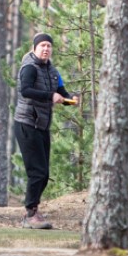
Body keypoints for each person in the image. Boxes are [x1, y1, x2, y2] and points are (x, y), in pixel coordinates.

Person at [13, 33, 75, 228]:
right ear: (35, 48)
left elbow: (61, 92)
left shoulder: (53, 71)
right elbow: (26, 91)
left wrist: (70, 98)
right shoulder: (29, 68)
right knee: (37, 172)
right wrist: (50, 96)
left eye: (49, 46)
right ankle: (30, 215)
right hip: (26, 124)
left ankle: (34, 211)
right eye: (42, 46)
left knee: (44, 173)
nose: (46, 49)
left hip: (42, 125)